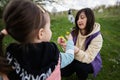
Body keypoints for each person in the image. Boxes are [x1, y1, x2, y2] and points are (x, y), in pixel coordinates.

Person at [0, 0, 75, 80]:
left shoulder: (9, 59)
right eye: (49, 27)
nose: (50, 30)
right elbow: (69, 56)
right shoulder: (53, 55)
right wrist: (70, 41)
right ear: (41, 33)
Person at [59, 8, 103, 80]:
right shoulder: (74, 32)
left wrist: (77, 51)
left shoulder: (97, 37)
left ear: (90, 18)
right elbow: (69, 50)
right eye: (77, 19)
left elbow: (89, 58)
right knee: (63, 72)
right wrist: (64, 45)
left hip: (90, 61)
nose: (79, 21)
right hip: (75, 56)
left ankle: (81, 77)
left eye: (82, 17)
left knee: (80, 67)